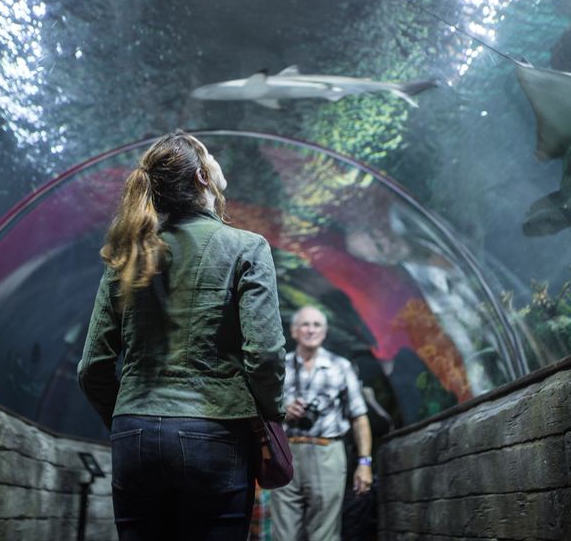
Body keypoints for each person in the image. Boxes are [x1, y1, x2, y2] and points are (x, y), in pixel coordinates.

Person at [77, 131, 286, 541]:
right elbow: (264, 355)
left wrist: (126, 418)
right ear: (202, 178)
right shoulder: (247, 248)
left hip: (134, 432)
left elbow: (92, 368)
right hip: (216, 430)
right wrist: (270, 418)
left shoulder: (128, 255)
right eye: (210, 157)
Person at [270, 306, 373, 541]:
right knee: (282, 533)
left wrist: (365, 462)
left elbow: (359, 416)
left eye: (317, 325)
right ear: (294, 331)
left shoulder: (341, 366)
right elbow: (261, 413)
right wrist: (283, 411)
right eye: (305, 325)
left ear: (324, 332)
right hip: (287, 452)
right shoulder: (279, 367)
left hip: (328, 452)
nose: (311, 330)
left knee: (324, 533)